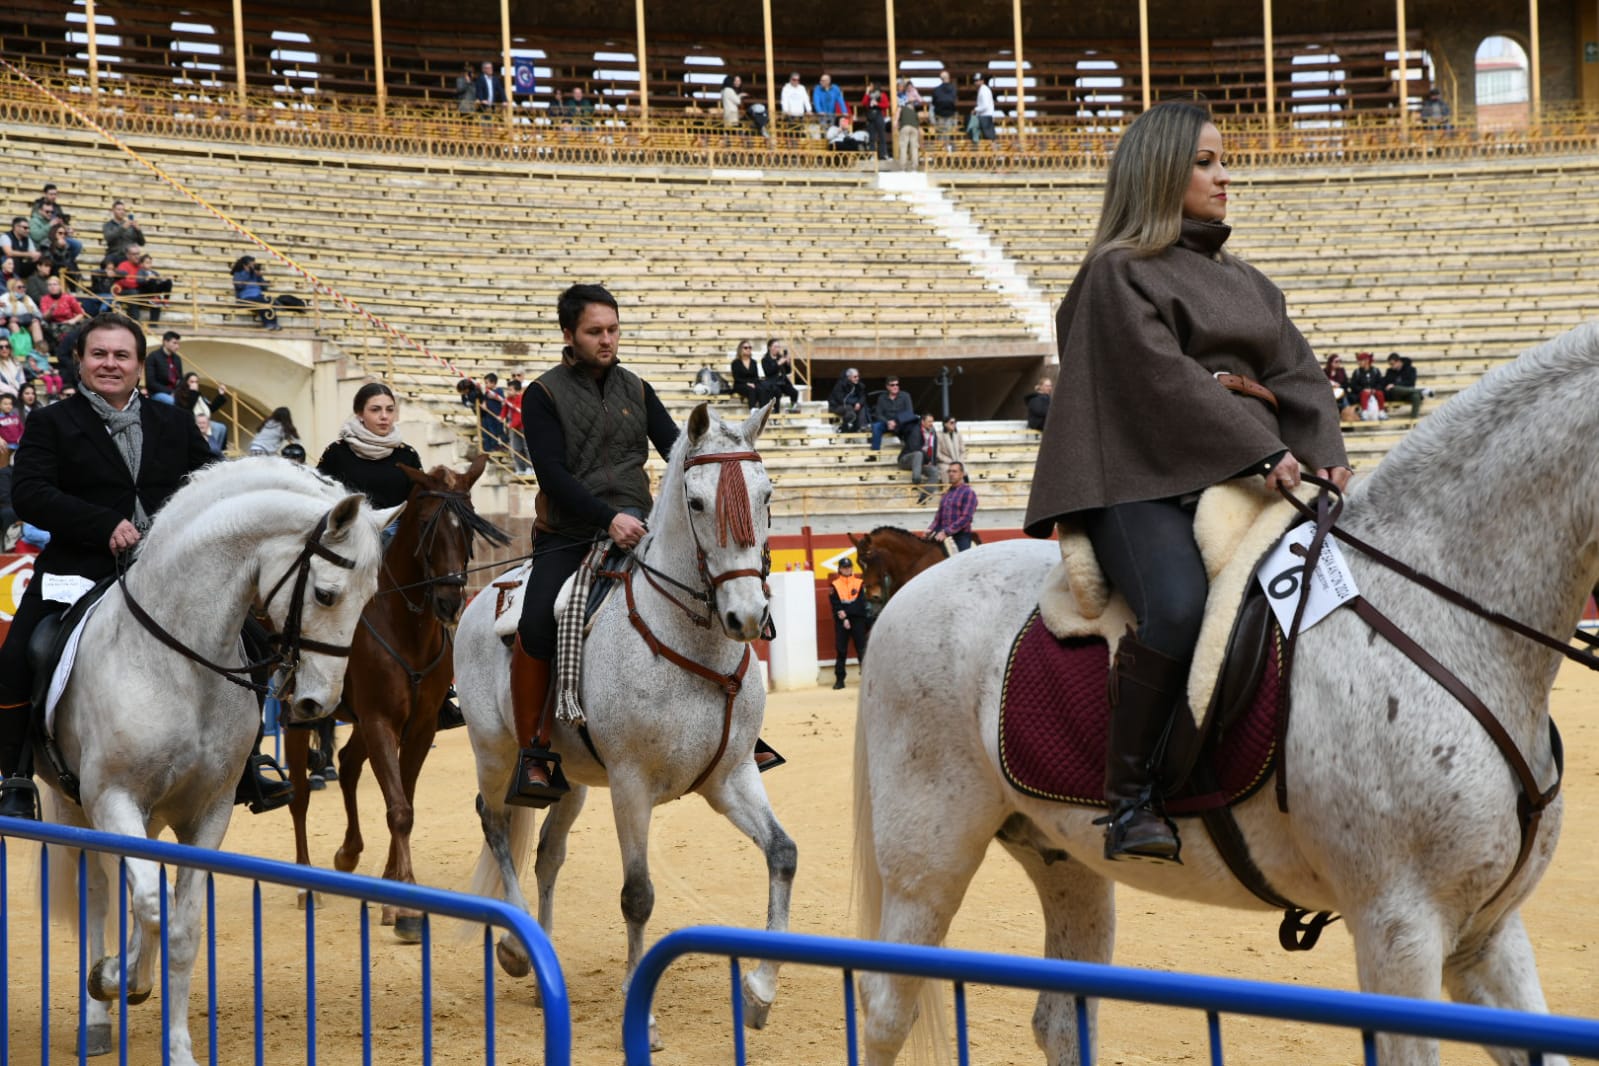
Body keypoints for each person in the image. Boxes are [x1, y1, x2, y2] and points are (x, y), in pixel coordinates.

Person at [1022, 101, 1349, 864]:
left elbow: (1296, 373)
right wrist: (1255, 450)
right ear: (1161, 171)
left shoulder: (1251, 284)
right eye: (1204, 162)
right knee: (1175, 607)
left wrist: (1321, 448)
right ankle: (1130, 794)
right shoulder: (1115, 272)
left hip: (1242, 464)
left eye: (1222, 159)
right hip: (1134, 477)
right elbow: (1158, 379)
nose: (1223, 174)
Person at [0, 312, 287, 819]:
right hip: (80, 569)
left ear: (139, 366)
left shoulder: (172, 422)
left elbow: (209, 484)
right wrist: (102, 523)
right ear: (79, 361)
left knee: (253, 646)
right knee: (20, 656)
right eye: (99, 354)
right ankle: (17, 777)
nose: (110, 364)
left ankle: (245, 764)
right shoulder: (50, 422)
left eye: (121, 356)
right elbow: (30, 493)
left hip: (172, 576)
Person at [508, 284, 680, 806]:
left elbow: (675, 449)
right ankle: (534, 751)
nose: (607, 340)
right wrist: (609, 520)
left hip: (642, 528)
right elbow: (553, 475)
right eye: (595, 332)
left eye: (613, 329)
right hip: (569, 534)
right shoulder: (542, 394)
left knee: (706, 592)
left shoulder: (637, 387)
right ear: (569, 335)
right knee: (537, 619)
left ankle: (732, 724)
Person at [828, 557, 869, 690]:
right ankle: (840, 680)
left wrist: (846, 614)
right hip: (842, 621)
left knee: (862, 649)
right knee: (841, 650)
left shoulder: (859, 583)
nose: (847, 569)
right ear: (839, 569)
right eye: (844, 567)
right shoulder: (835, 584)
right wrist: (843, 618)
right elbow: (835, 604)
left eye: (849, 567)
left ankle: (866, 678)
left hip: (857, 620)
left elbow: (861, 604)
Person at [926, 461, 977, 551]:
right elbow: (939, 517)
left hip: (960, 535)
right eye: (949, 471)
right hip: (942, 533)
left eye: (954, 471)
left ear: (962, 474)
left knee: (963, 559)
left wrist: (946, 532)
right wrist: (930, 529)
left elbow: (966, 518)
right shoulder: (946, 493)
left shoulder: (968, 493)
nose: (951, 474)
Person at [897, 412, 938, 503]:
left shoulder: (933, 432)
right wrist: (928, 460)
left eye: (932, 421)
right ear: (923, 422)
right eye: (929, 421)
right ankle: (916, 481)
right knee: (918, 454)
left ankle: (925, 496)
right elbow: (915, 448)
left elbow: (934, 448)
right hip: (906, 459)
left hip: (921, 462)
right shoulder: (916, 430)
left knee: (934, 471)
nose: (931, 424)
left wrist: (932, 462)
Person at [869, 376, 915, 451]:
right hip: (887, 423)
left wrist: (896, 422)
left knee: (911, 427)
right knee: (876, 426)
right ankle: (875, 452)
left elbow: (909, 413)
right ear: (887, 387)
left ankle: (910, 451)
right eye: (892, 385)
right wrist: (888, 422)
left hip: (901, 423)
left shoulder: (905, 396)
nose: (895, 387)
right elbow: (878, 414)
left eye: (897, 384)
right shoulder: (882, 398)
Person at [1382, 351, 1433, 418]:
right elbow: (1387, 384)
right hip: (1396, 395)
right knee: (1394, 388)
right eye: (1390, 364)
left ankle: (1413, 421)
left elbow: (1411, 383)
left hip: (1407, 394)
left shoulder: (1411, 370)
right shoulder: (1389, 371)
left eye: (1392, 364)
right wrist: (1393, 386)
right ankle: (1422, 390)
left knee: (1416, 396)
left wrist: (1394, 384)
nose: (1391, 366)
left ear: (1399, 362)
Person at [760, 339, 800, 413]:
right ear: (769, 347)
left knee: (794, 392)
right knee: (776, 394)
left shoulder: (780, 357)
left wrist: (788, 363)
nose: (777, 349)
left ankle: (791, 409)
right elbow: (768, 372)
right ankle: (776, 414)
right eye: (775, 347)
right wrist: (778, 363)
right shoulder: (765, 359)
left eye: (778, 347)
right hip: (773, 382)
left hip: (783, 381)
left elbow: (788, 371)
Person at [146, 330, 184, 405]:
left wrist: (178, 392)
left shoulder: (177, 358)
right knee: (173, 402)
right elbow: (151, 383)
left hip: (175, 393)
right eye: (174, 343)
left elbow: (180, 379)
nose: (177, 346)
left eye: (178, 343)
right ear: (165, 342)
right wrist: (171, 392)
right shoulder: (153, 357)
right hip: (157, 393)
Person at [1348, 350, 1386, 420]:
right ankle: (1364, 412)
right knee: (1364, 393)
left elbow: (1380, 382)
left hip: (1373, 391)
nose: (1359, 362)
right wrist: (1363, 389)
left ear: (1366, 361)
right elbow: (1353, 385)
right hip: (1362, 393)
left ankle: (1381, 411)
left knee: (1380, 393)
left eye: (1360, 361)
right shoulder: (1357, 372)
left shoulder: (1375, 371)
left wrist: (1374, 389)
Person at [728, 339, 767, 408]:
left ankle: (763, 410)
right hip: (740, 384)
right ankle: (752, 410)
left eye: (750, 347)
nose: (748, 349)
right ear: (740, 349)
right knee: (751, 389)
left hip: (752, 384)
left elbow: (755, 376)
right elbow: (737, 378)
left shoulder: (753, 362)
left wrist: (753, 383)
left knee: (761, 389)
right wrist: (747, 383)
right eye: (745, 348)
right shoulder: (735, 363)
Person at [827, 367, 867, 432]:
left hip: (851, 406)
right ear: (849, 377)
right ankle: (844, 428)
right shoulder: (840, 385)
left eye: (858, 376)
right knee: (849, 410)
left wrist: (859, 403)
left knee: (862, 407)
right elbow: (841, 399)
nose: (857, 378)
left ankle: (862, 427)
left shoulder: (859, 385)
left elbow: (863, 396)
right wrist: (854, 403)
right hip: (836, 406)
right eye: (855, 377)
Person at [896, 80, 924, 171]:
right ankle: (914, 167)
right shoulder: (914, 111)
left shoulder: (902, 106)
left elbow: (898, 112)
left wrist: (895, 122)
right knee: (914, 148)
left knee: (903, 147)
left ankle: (903, 167)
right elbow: (918, 123)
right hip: (914, 128)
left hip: (904, 126)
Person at [860, 81, 891, 160]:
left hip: (879, 116)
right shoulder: (868, 95)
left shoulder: (882, 94)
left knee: (882, 136)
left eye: (871, 85)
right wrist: (866, 93)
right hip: (871, 117)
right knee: (872, 137)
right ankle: (872, 155)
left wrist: (877, 104)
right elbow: (863, 103)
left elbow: (886, 105)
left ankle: (883, 154)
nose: (869, 87)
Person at [934, 414, 965, 484]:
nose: (954, 424)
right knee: (946, 469)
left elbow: (963, 451)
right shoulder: (939, 435)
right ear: (945, 424)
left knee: (963, 469)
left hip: (958, 461)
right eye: (951, 423)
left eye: (955, 423)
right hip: (945, 462)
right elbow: (938, 453)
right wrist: (951, 462)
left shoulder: (958, 435)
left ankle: (961, 491)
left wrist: (959, 461)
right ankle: (947, 491)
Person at [930, 69, 958, 138]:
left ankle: (941, 147)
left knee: (940, 135)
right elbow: (954, 101)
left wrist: (932, 119)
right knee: (948, 134)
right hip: (950, 116)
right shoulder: (953, 89)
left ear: (941, 78)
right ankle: (948, 147)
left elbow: (933, 103)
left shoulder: (936, 90)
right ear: (949, 77)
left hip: (939, 116)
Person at [1324, 353, 1354, 418]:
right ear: (1331, 362)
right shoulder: (1325, 371)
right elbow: (1323, 383)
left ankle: (1347, 414)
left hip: (1340, 392)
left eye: (1339, 361)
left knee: (1344, 395)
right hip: (1329, 392)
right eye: (1336, 362)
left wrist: (1339, 385)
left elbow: (1346, 384)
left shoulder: (1341, 371)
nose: (1338, 363)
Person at [970, 73, 997, 142]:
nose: (976, 82)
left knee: (989, 138)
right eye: (975, 81)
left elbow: (985, 105)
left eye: (978, 80)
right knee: (988, 137)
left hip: (985, 116)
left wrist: (975, 110)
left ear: (982, 81)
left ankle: (995, 151)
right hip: (985, 116)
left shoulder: (983, 90)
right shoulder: (983, 89)